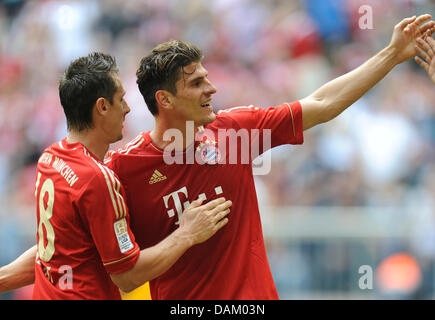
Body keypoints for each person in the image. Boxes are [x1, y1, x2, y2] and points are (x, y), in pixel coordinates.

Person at [1, 14, 434, 299]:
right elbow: (64, 249)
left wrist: (392, 54)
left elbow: (321, 103)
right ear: (165, 99)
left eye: (208, 78)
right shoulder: (122, 171)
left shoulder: (236, 131)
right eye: (197, 83)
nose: (211, 89)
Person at [0, 52, 232, 299]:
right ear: (102, 107)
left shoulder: (50, 159)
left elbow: (53, 252)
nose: (128, 109)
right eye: (121, 100)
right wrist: (187, 234)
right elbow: (127, 276)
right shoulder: (98, 179)